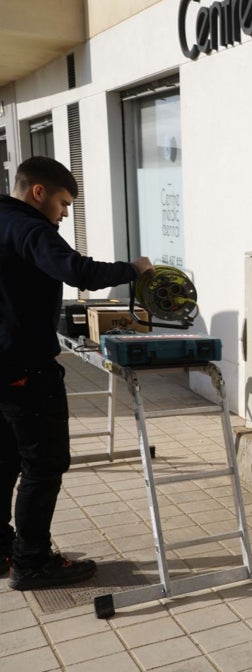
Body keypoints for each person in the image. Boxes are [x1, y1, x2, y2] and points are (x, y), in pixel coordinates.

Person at [0, 156, 153, 590]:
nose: (65, 213)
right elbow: (75, 271)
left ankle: (2, 549)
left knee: (5, 460)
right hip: (26, 370)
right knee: (43, 466)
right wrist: (134, 271)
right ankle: (31, 562)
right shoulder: (31, 229)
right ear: (38, 193)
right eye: (64, 203)